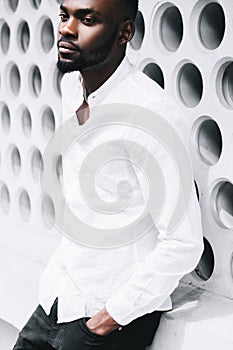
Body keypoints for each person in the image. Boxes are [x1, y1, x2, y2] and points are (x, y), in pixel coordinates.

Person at [13, 0, 204, 349]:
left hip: (108, 318)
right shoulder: (71, 87)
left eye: (87, 19)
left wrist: (104, 320)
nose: (67, 29)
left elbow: (184, 244)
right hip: (60, 296)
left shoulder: (149, 115)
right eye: (63, 15)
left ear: (124, 32)